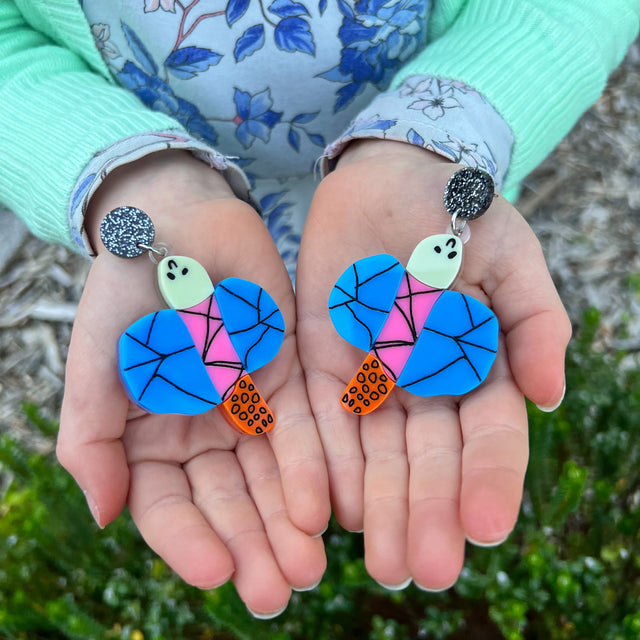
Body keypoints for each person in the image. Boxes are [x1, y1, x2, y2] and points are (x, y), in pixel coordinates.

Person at [1, 0, 637, 619]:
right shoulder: (229, 312)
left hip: (406, 182)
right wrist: (127, 178)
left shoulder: (402, 280)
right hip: (224, 229)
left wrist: (438, 140)